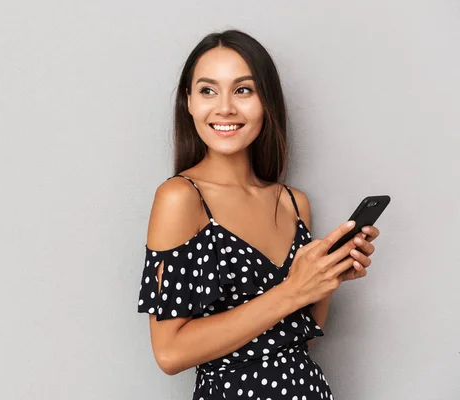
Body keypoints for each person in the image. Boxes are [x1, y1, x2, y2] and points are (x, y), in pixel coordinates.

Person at [136, 29, 380, 400]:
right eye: (207, 90)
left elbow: (296, 339)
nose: (225, 108)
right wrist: (293, 289)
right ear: (188, 102)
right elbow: (170, 353)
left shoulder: (293, 203)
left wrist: (325, 279)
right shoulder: (182, 198)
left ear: (266, 100)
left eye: (243, 90)